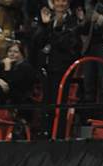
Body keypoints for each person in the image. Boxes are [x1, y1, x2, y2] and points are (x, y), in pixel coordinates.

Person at [32, 0, 82, 137]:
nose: (60, 3)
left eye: (63, 0)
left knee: (59, 102)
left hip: (62, 69)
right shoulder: (47, 20)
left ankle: (58, 135)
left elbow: (67, 44)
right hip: (46, 69)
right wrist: (45, 25)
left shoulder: (73, 21)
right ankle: (45, 133)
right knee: (46, 103)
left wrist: (53, 30)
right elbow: (37, 42)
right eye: (57, 0)